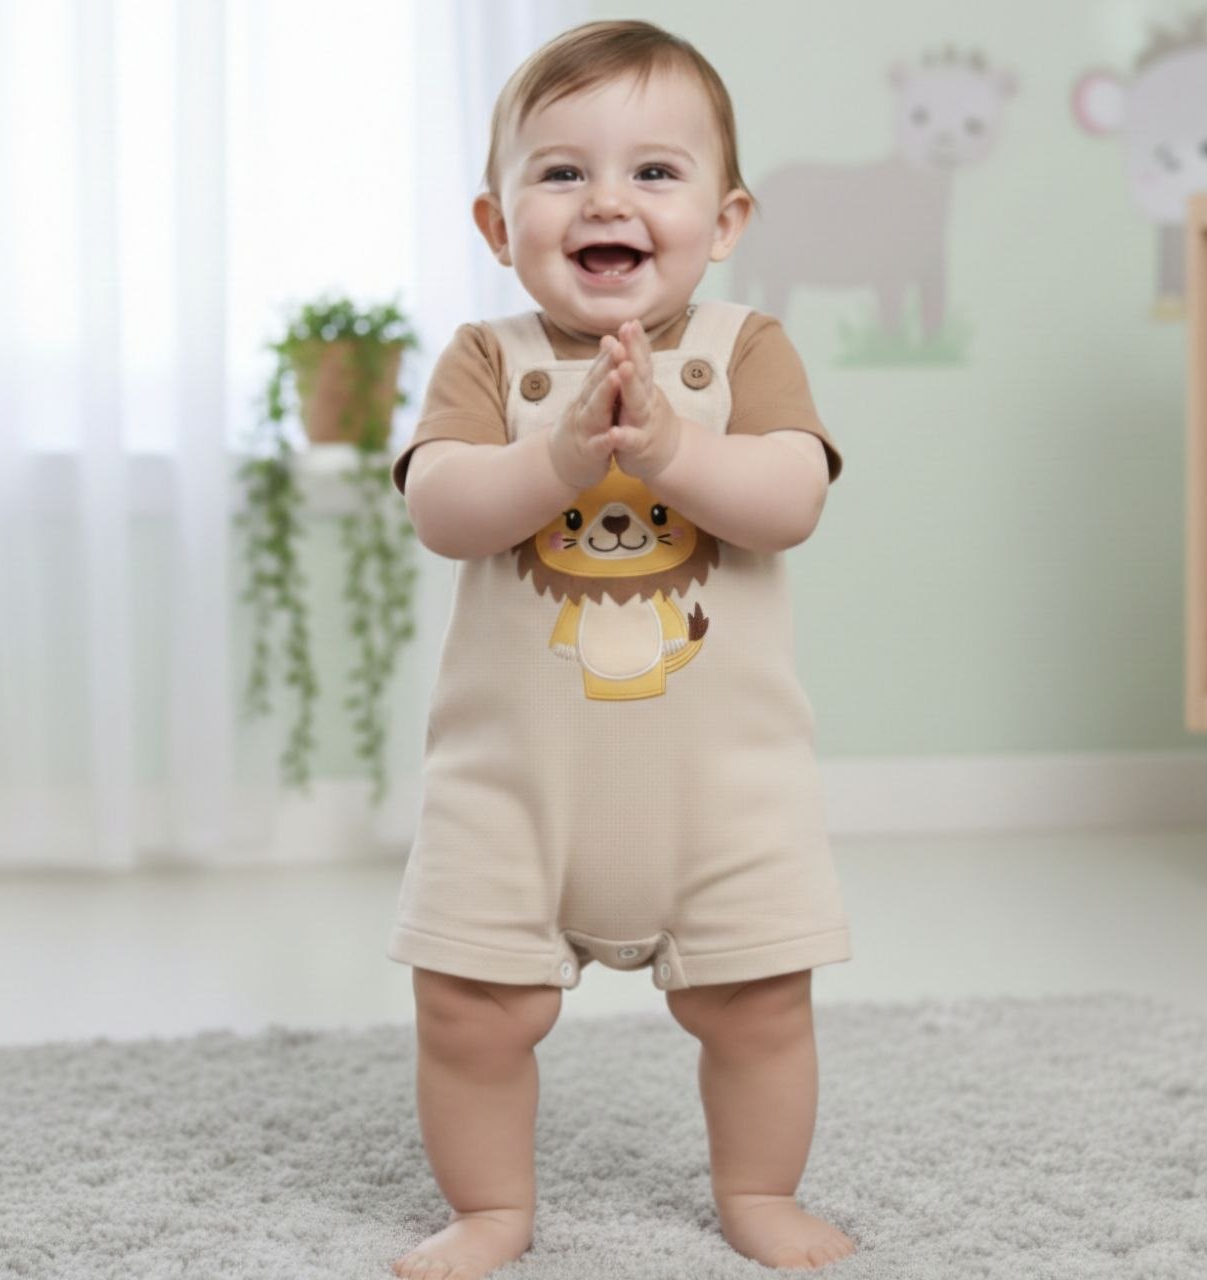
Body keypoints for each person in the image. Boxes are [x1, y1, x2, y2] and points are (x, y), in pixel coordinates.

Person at [387, 19, 854, 1278]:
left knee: (758, 1007)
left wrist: (668, 449)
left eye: (654, 171)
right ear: (498, 225)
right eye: (561, 172)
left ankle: (757, 1187)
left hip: (725, 791)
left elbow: (789, 500)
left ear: (725, 218)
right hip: (511, 788)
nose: (606, 200)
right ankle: (491, 1206)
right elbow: (443, 510)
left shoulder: (743, 350)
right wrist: (558, 456)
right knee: (469, 1010)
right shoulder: (487, 360)